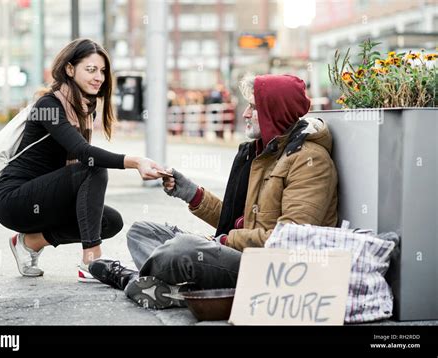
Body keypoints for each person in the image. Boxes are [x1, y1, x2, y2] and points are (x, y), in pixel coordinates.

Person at [89, 74, 338, 309]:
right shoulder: (264, 153)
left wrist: (224, 241)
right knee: (141, 232)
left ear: (275, 112)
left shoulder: (309, 161)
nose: (245, 113)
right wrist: (192, 194)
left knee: (181, 249)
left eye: (253, 107)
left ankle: (133, 280)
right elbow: (236, 221)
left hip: (270, 269)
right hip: (237, 253)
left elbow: (291, 240)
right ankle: (174, 289)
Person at [0, 39, 164, 282]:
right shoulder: (48, 105)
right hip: (14, 200)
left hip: (47, 197)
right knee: (92, 169)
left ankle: (30, 242)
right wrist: (135, 162)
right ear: (70, 70)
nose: (99, 77)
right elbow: (84, 155)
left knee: (109, 222)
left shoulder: (84, 109)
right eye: (91, 70)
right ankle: (91, 261)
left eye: (102, 71)